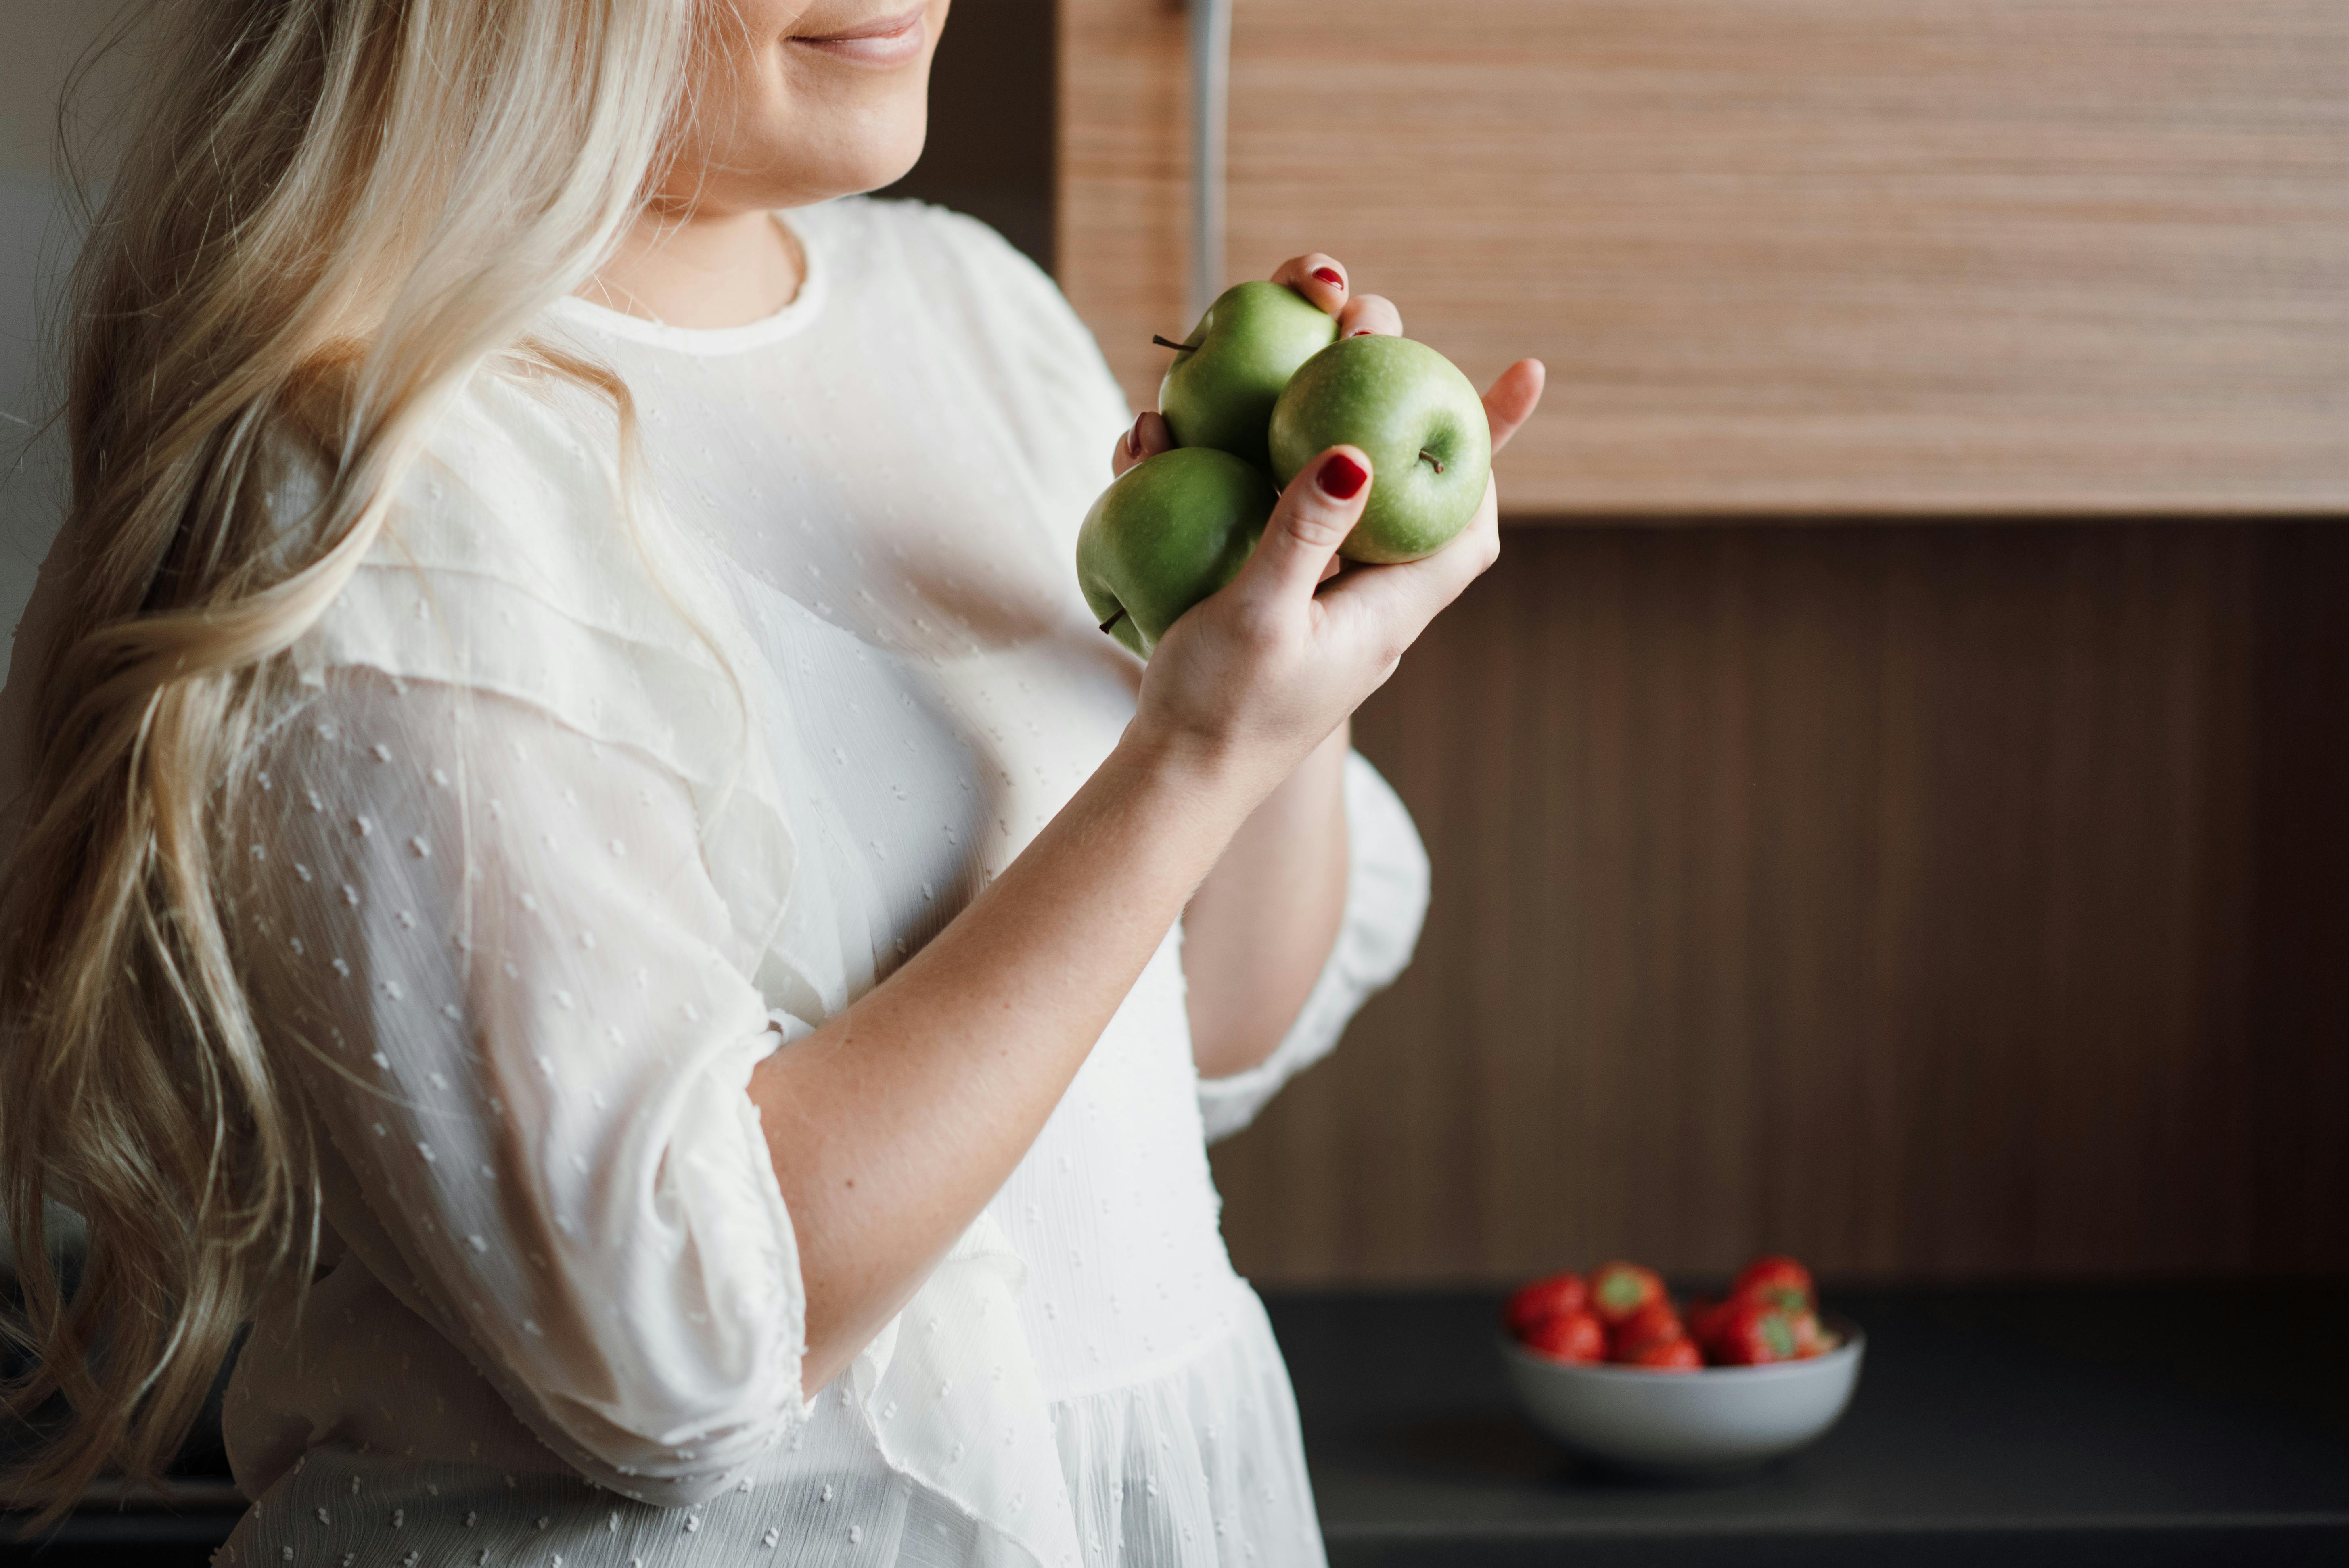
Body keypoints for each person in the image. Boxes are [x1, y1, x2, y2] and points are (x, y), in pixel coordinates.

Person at [0, 2, 1543, 1563]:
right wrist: (1191, 761)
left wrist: (1298, 655)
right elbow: (681, 1353)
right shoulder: (370, 481)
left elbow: (1199, 1026)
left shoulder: (966, 308)